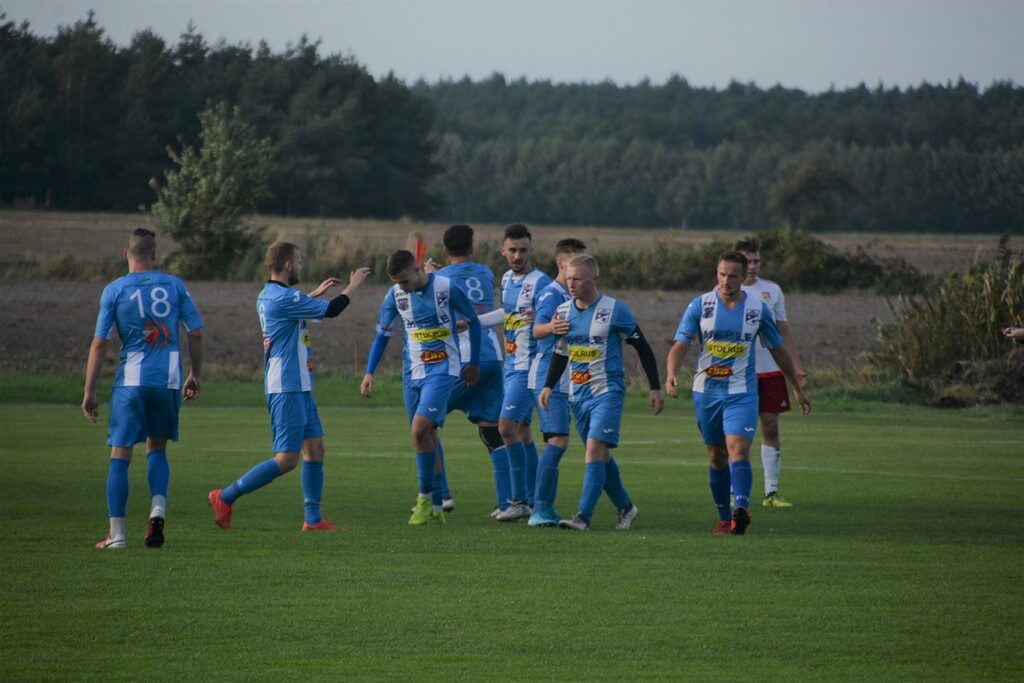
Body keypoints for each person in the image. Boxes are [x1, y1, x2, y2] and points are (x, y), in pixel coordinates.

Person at [208, 242, 369, 532]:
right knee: (286, 459)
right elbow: (332, 310)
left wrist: (313, 295)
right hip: (286, 385)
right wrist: (354, 284)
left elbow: (292, 312)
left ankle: (312, 520)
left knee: (315, 449)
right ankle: (225, 496)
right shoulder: (284, 298)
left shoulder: (270, 295)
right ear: (288, 265)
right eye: (299, 261)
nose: (302, 266)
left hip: (300, 384)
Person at [666, 251, 811, 536]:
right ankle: (724, 518)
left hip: (742, 392)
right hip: (706, 393)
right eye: (722, 274)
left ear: (744, 277)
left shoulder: (758, 310)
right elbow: (680, 345)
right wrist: (671, 374)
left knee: (738, 448)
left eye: (732, 276)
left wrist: (796, 386)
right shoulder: (700, 305)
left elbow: (778, 350)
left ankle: (741, 508)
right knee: (716, 456)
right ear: (716, 273)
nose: (726, 280)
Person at [83, 228, 204, 549]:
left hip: (131, 382)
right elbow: (195, 332)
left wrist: (89, 390)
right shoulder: (174, 285)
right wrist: (196, 373)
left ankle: (117, 534)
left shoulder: (114, 290)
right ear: (154, 255)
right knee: (157, 447)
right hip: (168, 380)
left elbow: (99, 344)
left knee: (120, 453)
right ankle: (157, 510)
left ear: (126, 254)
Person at [539, 253, 664, 531]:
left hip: (608, 392)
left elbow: (643, 348)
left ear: (594, 279)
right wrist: (548, 385)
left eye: (577, 279)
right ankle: (626, 507)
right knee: (601, 456)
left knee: (594, 449)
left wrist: (654, 387)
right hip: (578, 395)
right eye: (568, 279)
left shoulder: (615, 310)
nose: (571, 284)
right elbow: (561, 352)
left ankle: (582, 517)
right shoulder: (562, 311)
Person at [361, 249, 481, 525]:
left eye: (405, 280)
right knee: (426, 436)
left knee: (419, 429)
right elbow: (382, 336)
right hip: (412, 374)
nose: (402, 286)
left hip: (443, 370)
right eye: (397, 282)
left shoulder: (445, 288)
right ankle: (438, 504)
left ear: (417, 269)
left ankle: (424, 499)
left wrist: (473, 362)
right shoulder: (395, 295)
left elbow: (473, 321)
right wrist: (369, 372)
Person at [423, 225, 508, 514]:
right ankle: (508, 502)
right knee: (492, 432)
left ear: (445, 249)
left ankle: (442, 494)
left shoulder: (439, 279)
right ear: (472, 248)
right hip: (492, 357)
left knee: (425, 424)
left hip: (463, 359)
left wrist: (430, 274)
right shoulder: (485, 272)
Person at [735, 237, 807, 508]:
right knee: (738, 435)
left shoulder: (772, 290)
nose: (752, 266)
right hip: (739, 374)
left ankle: (771, 493)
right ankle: (734, 491)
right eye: (748, 261)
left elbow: (783, 330)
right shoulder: (723, 291)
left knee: (771, 427)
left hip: (770, 371)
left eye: (756, 261)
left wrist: (795, 367)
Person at [492, 224, 551, 521]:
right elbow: (508, 315)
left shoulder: (541, 283)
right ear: (503, 250)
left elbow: (556, 316)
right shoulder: (506, 279)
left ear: (531, 250)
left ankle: (517, 501)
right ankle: (531, 499)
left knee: (505, 427)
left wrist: (541, 319)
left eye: (523, 250)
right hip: (511, 365)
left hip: (529, 367)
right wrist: (473, 322)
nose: (517, 256)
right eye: (512, 250)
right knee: (523, 431)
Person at [527, 238, 587, 527]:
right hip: (548, 375)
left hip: (564, 377)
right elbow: (536, 330)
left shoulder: (572, 295)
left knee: (558, 441)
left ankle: (543, 506)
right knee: (558, 441)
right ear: (561, 263)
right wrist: (551, 326)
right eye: (574, 261)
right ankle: (539, 509)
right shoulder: (551, 294)